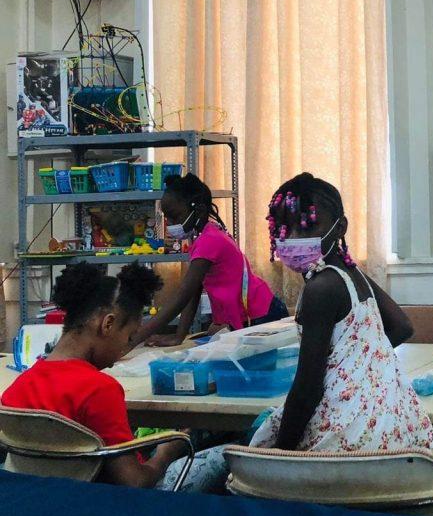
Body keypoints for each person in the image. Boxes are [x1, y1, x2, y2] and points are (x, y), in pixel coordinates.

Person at [248, 173, 433, 453]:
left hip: (348, 438)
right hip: (394, 429)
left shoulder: (321, 288)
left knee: (243, 452)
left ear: (340, 228)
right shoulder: (350, 273)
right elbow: (401, 327)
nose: (294, 239)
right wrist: (359, 369)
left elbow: (308, 389)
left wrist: (280, 454)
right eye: (286, 230)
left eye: (308, 227)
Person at [2, 263, 190, 488]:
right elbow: (135, 481)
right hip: (98, 506)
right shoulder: (100, 389)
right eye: (129, 337)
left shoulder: (20, 385)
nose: (124, 349)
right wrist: (165, 455)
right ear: (108, 324)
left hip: (34, 502)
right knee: (216, 457)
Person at [131, 173, 287, 348]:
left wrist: (132, 341)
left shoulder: (209, 240)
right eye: (167, 218)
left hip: (262, 314)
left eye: (174, 216)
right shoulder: (206, 235)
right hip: (256, 312)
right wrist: (179, 336)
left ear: (198, 210)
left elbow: (182, 297)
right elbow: (193, 293)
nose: (170, 223)